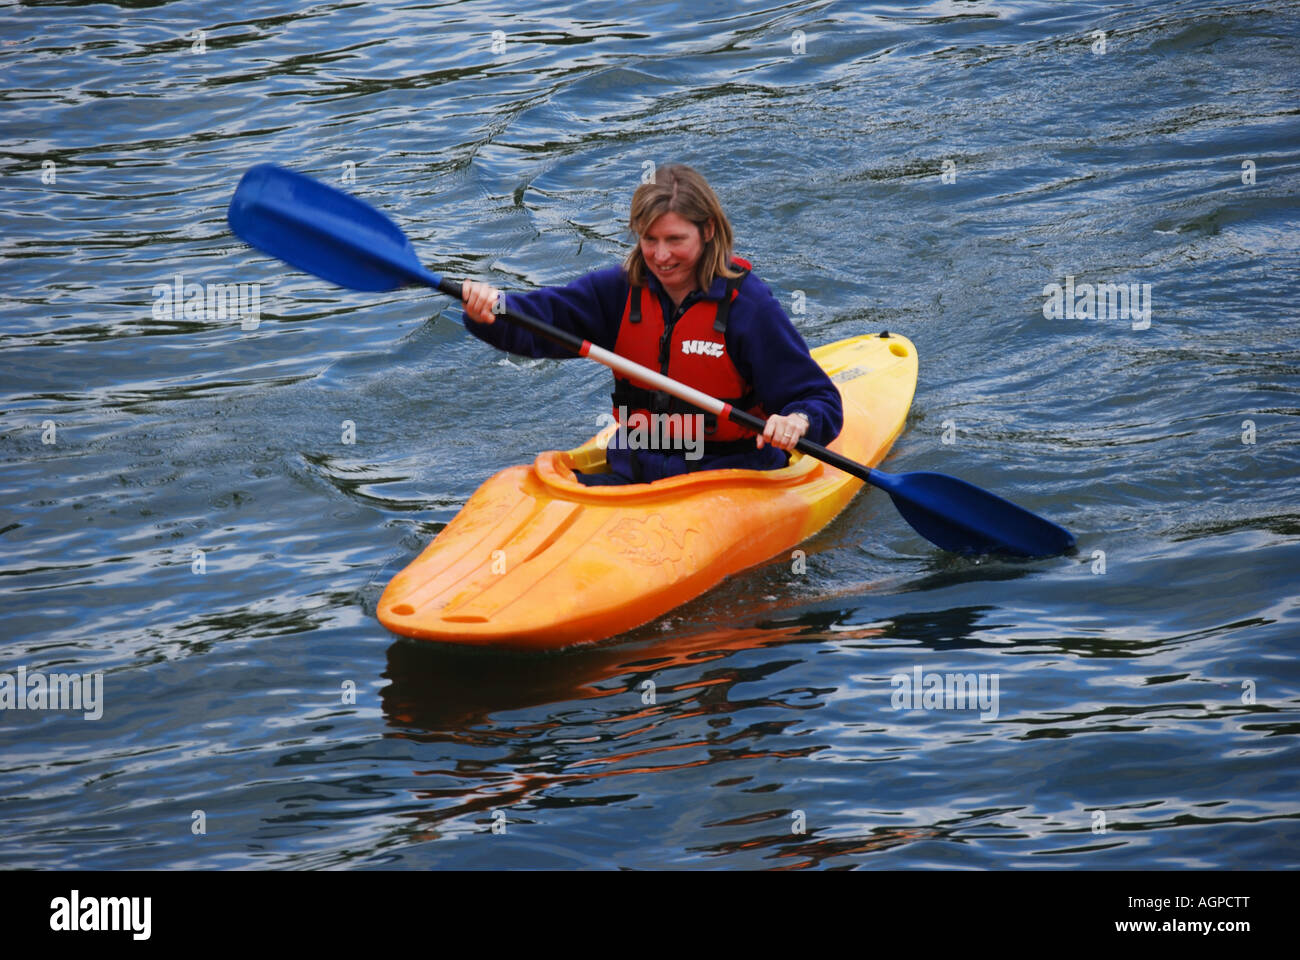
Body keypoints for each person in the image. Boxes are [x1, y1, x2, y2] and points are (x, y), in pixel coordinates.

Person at [460, 163, 842, 485]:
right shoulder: (617, 292)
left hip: (727, 478)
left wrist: (797, 420)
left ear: (708, 230)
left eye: (675, 239)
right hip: (634, 471)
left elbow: (819, 399)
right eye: (649, 239)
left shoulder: (748, 307)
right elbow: (536, 323)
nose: (660, 256)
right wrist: (490, 312)